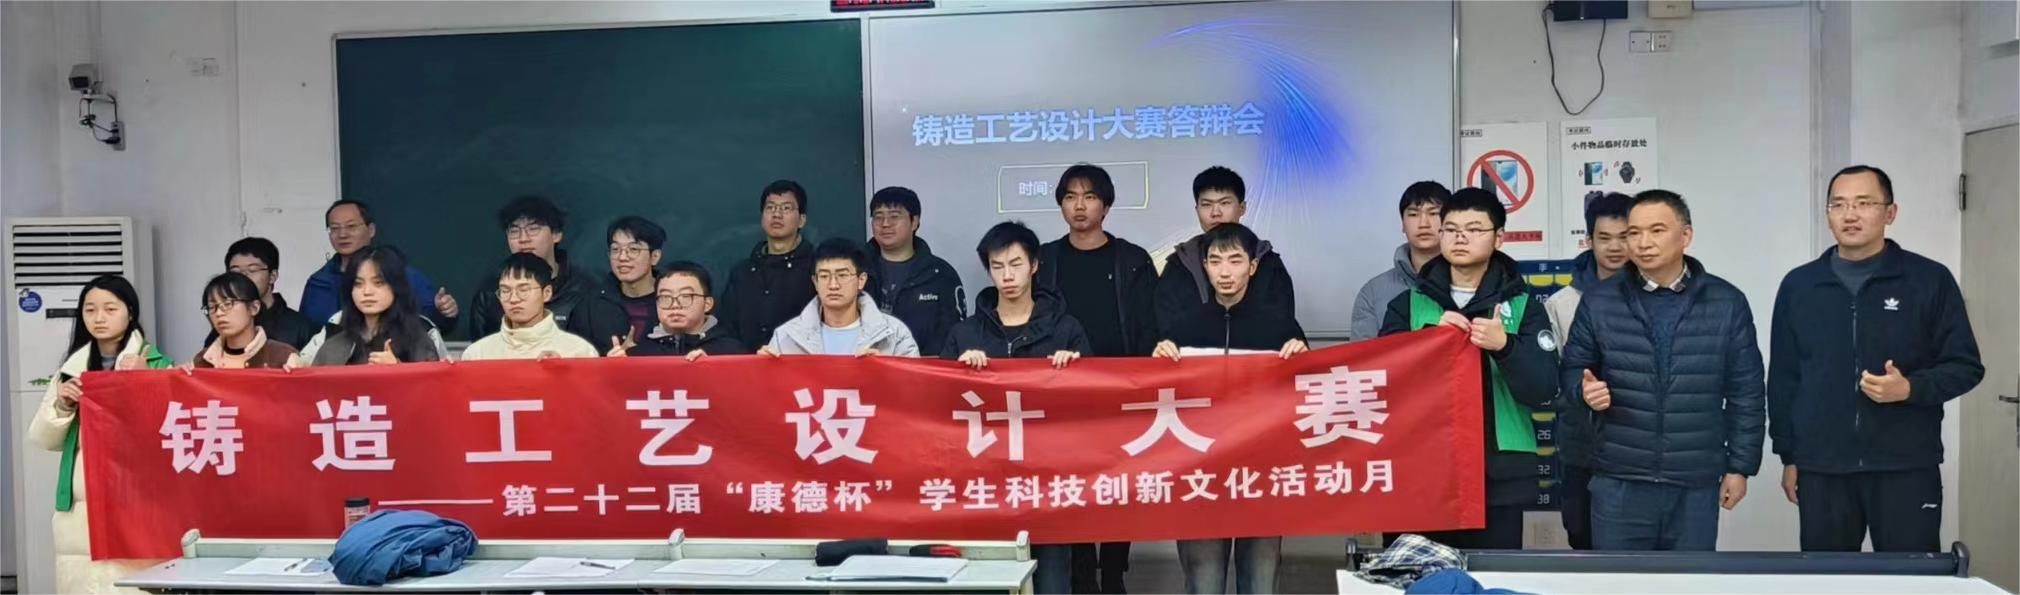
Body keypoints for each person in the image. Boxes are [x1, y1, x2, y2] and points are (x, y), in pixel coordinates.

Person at [1769, 165, 1983, 552]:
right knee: (1826, 578)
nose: (1850, 214)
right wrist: (1790, 455)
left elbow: (1965, 366)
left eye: (1864, 203)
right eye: (1838, 205)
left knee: (1911, 576)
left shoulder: (1928, 279)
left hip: (1906, 465)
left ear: (1890, 213)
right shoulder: (1800, 285)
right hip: (1823, 467)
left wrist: (1910, 388)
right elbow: (1784, 379)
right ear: (1828, 215)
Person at [1558, 190, 1765, 551]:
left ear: (1685, 235)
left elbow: (1746, 390)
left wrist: (1740, 466)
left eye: (1656, 230)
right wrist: (1583, 390)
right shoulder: (1600, 300)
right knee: (1619, 580)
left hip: (1694, 482)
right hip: (1619, 480)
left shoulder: (1726, 302)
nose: (1643, 243)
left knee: (1688, 579)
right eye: (1634, 233)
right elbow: (1573, 369)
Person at [1378, 187, 1557, 549]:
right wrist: (1428, 342)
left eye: (1474, 229)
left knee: (1490, 575)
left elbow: (1545, 389)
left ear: (1498, 238)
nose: (1460, 238)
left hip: (1499, 477)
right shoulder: (1407, 304)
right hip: (1419, 470)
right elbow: (1383, 383)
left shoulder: (1524, 307)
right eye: (1451, 229)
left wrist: (1505, 347)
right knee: (1416, 575)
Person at [1153, 223, 1306, 595]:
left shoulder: (1280, 326)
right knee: (1203, 583)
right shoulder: (1181, 328)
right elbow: (1158, 399)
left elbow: (1307, 400)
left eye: (1235, 260)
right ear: (1204, 266)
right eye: (1216, 261)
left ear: (1252, 267)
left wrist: (1303, 361)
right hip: (1201, 477)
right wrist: (1157, 362)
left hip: (1262, 476)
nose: (1225, 271)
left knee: (1261, 582)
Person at [940, 221, 1089, 595]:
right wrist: (959, 374)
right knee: (989, 579)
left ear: (1034, 265)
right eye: (997, 266)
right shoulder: (965, 333)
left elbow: (1092, 406)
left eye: (1016, 264)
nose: (1007, 275)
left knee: (1053, 578)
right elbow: (937, 406)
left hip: (1049, 480)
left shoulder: (1065, 329)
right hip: (984, 480)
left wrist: (1076, 371)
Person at [1034, 163, 1156, 593]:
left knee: (1118, 484)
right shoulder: (1044, 260)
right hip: (1063, 393)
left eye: (1089, 197)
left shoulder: (1133, 259)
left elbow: (1149, 326)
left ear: (1106, 205)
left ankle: (1114, 570)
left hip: (1121, 392)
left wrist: (1143, 383)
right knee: (1075, 484)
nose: (1079, 206)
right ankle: (1083, 571)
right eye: (1070, 197)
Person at [27, 274, 174, 593]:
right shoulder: (71, 370)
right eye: (90, 310)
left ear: (130, 312)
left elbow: (170, 435)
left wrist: (146, 383)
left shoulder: (157, 365)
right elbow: (42, 438)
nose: (99, 318)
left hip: (136, 500)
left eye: (110, 308)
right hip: (79, 507)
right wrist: (63, 404)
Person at [1540, 191, 1632, 551]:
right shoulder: (1561, 304)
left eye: (1624, 236)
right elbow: (1554, 379)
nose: (1615, 247)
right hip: (1582, 449)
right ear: (1588, 240)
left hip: (1639, 450)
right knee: (1584, 543)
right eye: (1604, 237)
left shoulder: (1658, 297)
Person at [457, 195, 628, 345]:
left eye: (533, 229)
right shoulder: (490, 292)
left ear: (556, 234)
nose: (523, 239)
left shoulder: (586, 289)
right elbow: (480, 355)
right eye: (514, 231)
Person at [1156, 166, 1294, 342]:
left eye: (1225, 203)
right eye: (1206, 205)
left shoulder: (1267, 262)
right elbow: (1166, 329)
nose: (1215, 213)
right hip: (1194, 357)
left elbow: (1282, 327)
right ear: (1197, 209)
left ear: (1242, 208)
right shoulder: (1180, 263)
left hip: (1254, 356)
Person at [301, 199, 451, 328]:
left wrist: (443, 313)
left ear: (371, 230)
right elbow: (305, 331)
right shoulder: (318, 282)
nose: (342, 234)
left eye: (351, 226)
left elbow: (430, 325)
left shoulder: (401, 275)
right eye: (334, 228)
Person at [759, 238, 919, 357]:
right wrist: (764, 370)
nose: (833, 285)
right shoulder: (787, 336)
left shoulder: (894, 334)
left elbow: (915, 387)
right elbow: (771, 391)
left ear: (861, 280)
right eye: (824, 276)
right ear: (815, 282)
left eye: (842, 275)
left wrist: (884, 373)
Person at [302, 246, 447, 366]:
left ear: (396, 286)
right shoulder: (334, 335)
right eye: (358, 284)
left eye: (378, 283)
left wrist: (398, 369)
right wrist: (298, 366)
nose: (367, 292)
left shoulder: (419, 336)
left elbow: (434, 386)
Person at [864, 186, 964, 356]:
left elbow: (954, 334)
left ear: (914, 222)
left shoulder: (940, 274)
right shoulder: (855, 269)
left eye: (894, 216)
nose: (885, 224)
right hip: (865, 366)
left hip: (923, 369)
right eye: (878, 217)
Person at [719, 180, 818, 349]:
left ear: (802, 220)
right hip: (748, 362)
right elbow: (727, 329)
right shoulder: (742, 273)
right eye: (770, 208)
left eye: (786, 208)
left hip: (800, 361)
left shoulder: (817, 269)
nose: (777, 214)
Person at [1350, 181, 1449, 342]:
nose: (1423, 224)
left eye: (1433, 213)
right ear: (1403, 224)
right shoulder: (1373, 292)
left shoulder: (1468, 282)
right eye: (1413, 214)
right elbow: (1362, 354)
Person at [463, 253, 601, 360]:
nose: (513, 299)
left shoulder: (578, 352)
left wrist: (565, 373)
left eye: (523, 290)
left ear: (546, 293)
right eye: (505, 291)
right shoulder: (478, 354)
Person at [607, 261, 750, 360]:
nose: (675, 305)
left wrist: (713, 369)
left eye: (686, 296)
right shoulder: (638, 356)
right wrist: (615, 371)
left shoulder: (732, 352)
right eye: (665, 297)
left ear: (707, 304)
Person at [206, 237, 320, 349]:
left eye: (252, 270)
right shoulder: (223, 328)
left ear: (272, 276)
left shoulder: (301, 328)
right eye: (235, 271)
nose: (243, 277)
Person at [194, 272, 305, 369]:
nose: (218, 313)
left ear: (254, 308)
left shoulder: (284, 357)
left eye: (227, 304)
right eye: (212, 307)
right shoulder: (202, 361)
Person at [602, 215, 667, 342]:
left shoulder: (674, 302)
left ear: (654, 257)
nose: (622, 257)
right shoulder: (592, 305)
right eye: (615, 249)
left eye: (633, 249)